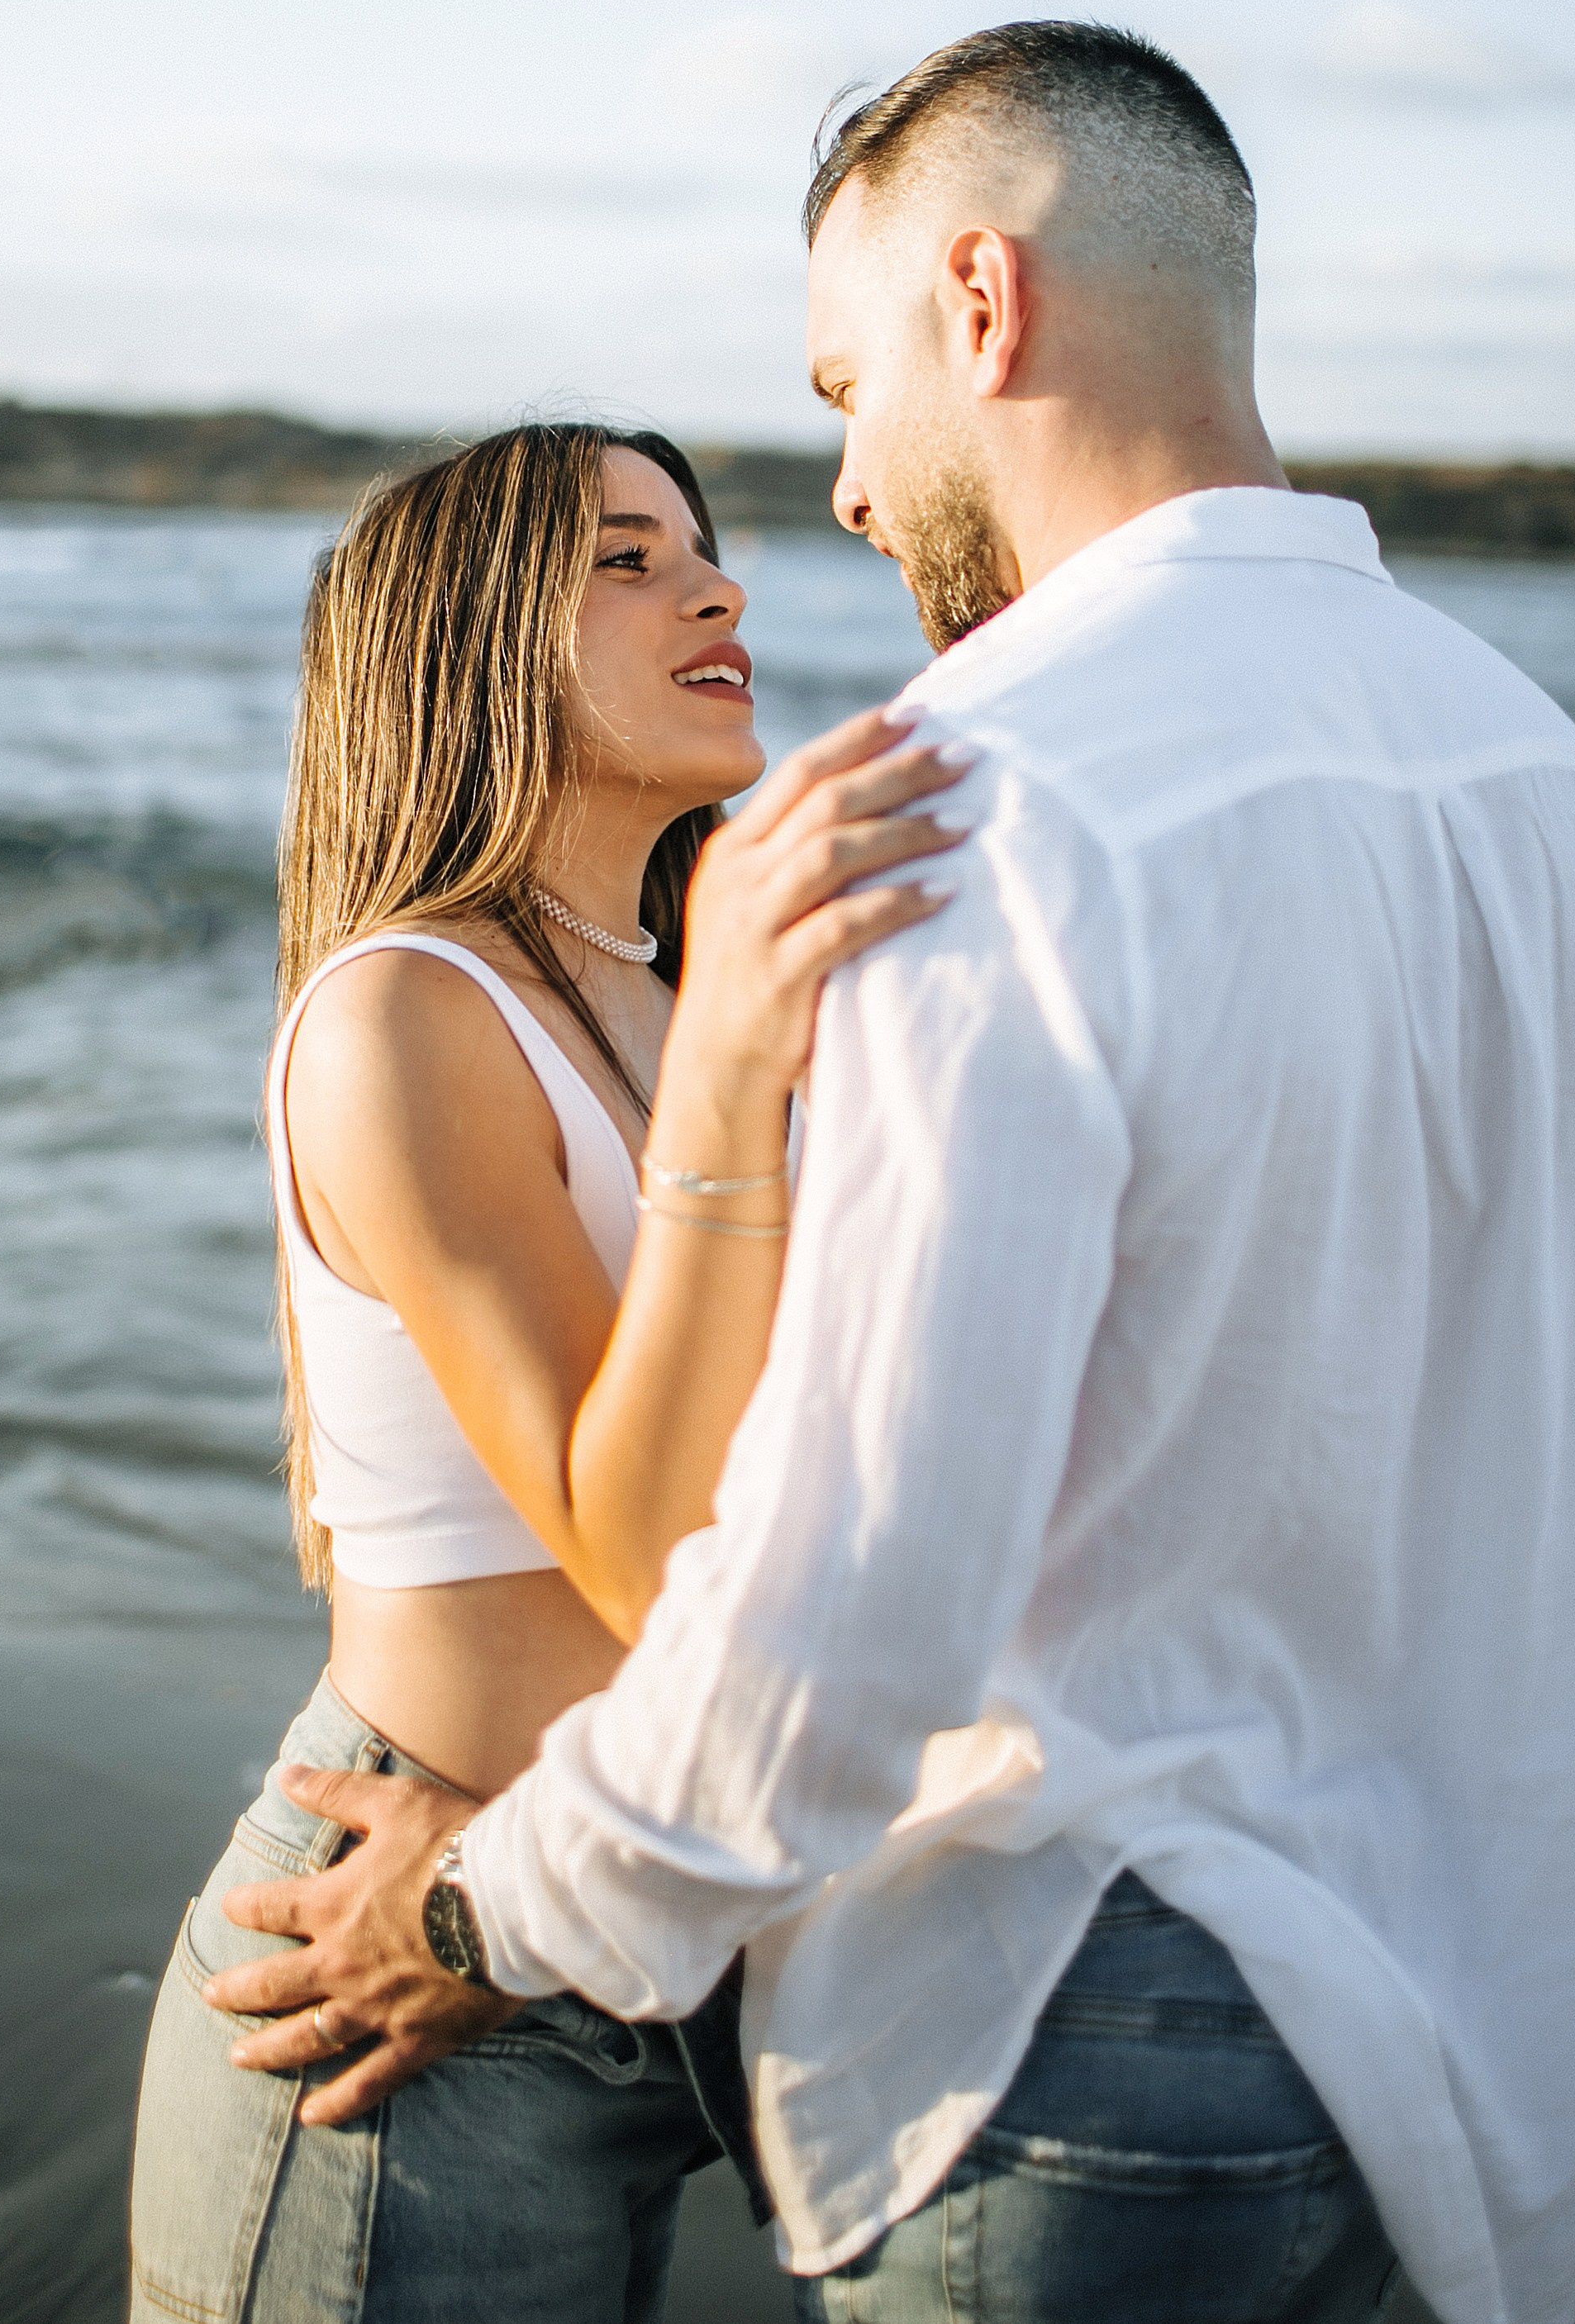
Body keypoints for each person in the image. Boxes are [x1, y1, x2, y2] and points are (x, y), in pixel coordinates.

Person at [204, 24, 1575, 2324]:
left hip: (1094, 2038)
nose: (847, 495)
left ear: (984, 309)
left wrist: (479, 1909)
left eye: (850, 392)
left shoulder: (968, 800)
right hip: (1494, 2055)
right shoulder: (1545, 785)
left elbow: (841, 1609)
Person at [126, 418, 965, 2322]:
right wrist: (747, 1064)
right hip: (395, 1970)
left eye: (701, 547)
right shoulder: (410, 1010)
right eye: (622, 557)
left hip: (646, 1924)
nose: (718, 586)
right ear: (462, 641)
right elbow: (652, 1560)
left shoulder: (708, 991)